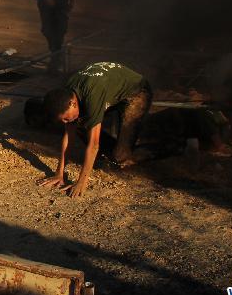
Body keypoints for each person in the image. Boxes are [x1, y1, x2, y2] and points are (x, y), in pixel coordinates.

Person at [38, 62, 152, 197]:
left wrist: (81, 182)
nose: (65, 122)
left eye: (65, 119)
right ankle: (112, 149)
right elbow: (68, 136)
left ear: (73, 103)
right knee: (81, 124)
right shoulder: (67, 92)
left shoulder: (92, 95)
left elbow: (94, 145)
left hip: (138, 91)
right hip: (111, 89)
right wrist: (59, 173)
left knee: (121, 156)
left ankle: (170, 147)